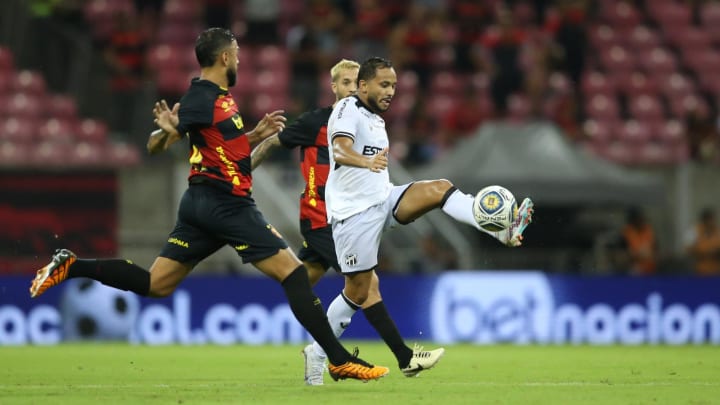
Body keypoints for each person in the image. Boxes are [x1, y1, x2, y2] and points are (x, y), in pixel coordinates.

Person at [28, 28, 388, 383]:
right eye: (237, 54)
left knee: (156, 283)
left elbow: (223, 150)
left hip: (199, 204)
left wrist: (255, 136)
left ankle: (72, 266)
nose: (241, 60)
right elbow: (157, 143)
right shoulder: (202, 96)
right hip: (227, 204)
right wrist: (167, 130)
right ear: (225, 57)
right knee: (294, 274)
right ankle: (338, 360)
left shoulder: (221, 98)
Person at [315, 56, 535, 383]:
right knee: (358, 291)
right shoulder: (347, 109)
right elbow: (340, 150)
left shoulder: (375, 118)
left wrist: (373, 170)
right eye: (383, 84)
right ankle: (320, 356)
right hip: (353, 214)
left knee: (439, 189)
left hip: (382, 200)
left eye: (393, 85)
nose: (391, 91)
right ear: (363, 85)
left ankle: (495, 226)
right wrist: (366, 162)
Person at [253, 59, 447, 385]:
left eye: (355, 82)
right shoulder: (317, 121)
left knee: (299, 282)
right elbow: (274, 142)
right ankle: (403, 356)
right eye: (344, 82)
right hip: (321, 219)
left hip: (350, 216)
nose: (350, 88)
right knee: (366, 285)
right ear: (334, 87)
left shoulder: (367, 121)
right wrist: (241, 170)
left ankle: (313, 351)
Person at [685, 208, 720, 275]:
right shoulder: (694, 232)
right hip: (699, 272)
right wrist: (705, 252)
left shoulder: (718, 232)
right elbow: (688, 250)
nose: (712, 222)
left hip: (716, 272)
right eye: (710, 220)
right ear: (704, 220)